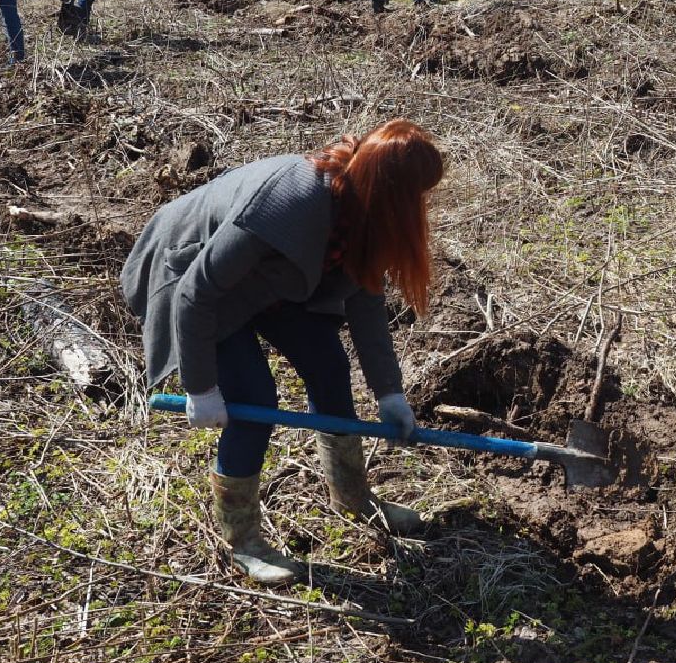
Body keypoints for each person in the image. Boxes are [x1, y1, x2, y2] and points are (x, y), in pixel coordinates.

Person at [119, 120, 442, 583]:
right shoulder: (290, 203)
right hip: (191, 270)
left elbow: (365, 296)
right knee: (255, 400)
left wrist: (390, 393)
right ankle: (242, 538)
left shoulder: (363, 206)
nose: (420, 207)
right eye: (416, 195)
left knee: (329, 366)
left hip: (267, 281)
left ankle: (353, 496)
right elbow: (197, 291)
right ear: (389, 190)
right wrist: (201, 387)